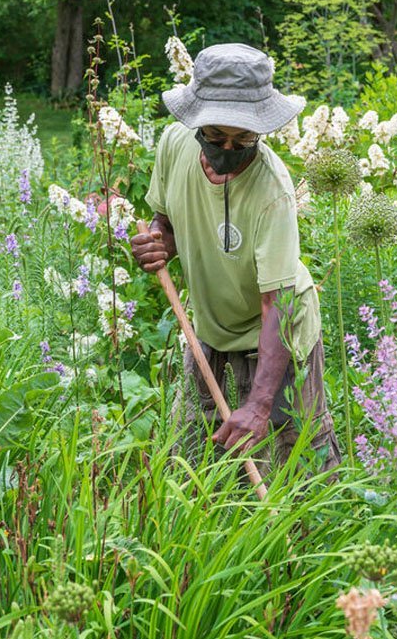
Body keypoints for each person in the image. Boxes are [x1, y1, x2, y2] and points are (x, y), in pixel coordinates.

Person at [130, 43, 341, 480]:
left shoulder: (272, 192)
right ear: (197, 126)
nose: (228, 150)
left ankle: (302, 540)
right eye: (216, 138)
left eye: (243, 140)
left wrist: (260, 406)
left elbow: (277, 306)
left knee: (295, 463)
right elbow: (165, 223)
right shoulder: (174, 145)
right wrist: (157, 242)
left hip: (276, 332)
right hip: (210, 327)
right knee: (192, 456)